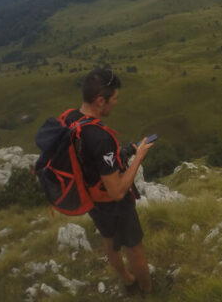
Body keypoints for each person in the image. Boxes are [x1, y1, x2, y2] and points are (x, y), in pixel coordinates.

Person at [64, 68, 155, 295]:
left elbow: (90, 158)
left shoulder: (71, 119)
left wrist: (123, 153)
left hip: (92, 199)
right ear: (100, 100)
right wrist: (139, 157)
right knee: (134, 249)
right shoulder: (100, 137)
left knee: (109, 241)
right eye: (113, 99)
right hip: (113, 203)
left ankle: (127, 280)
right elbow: (117, 191)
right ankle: (147, 290)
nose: (115, 103)